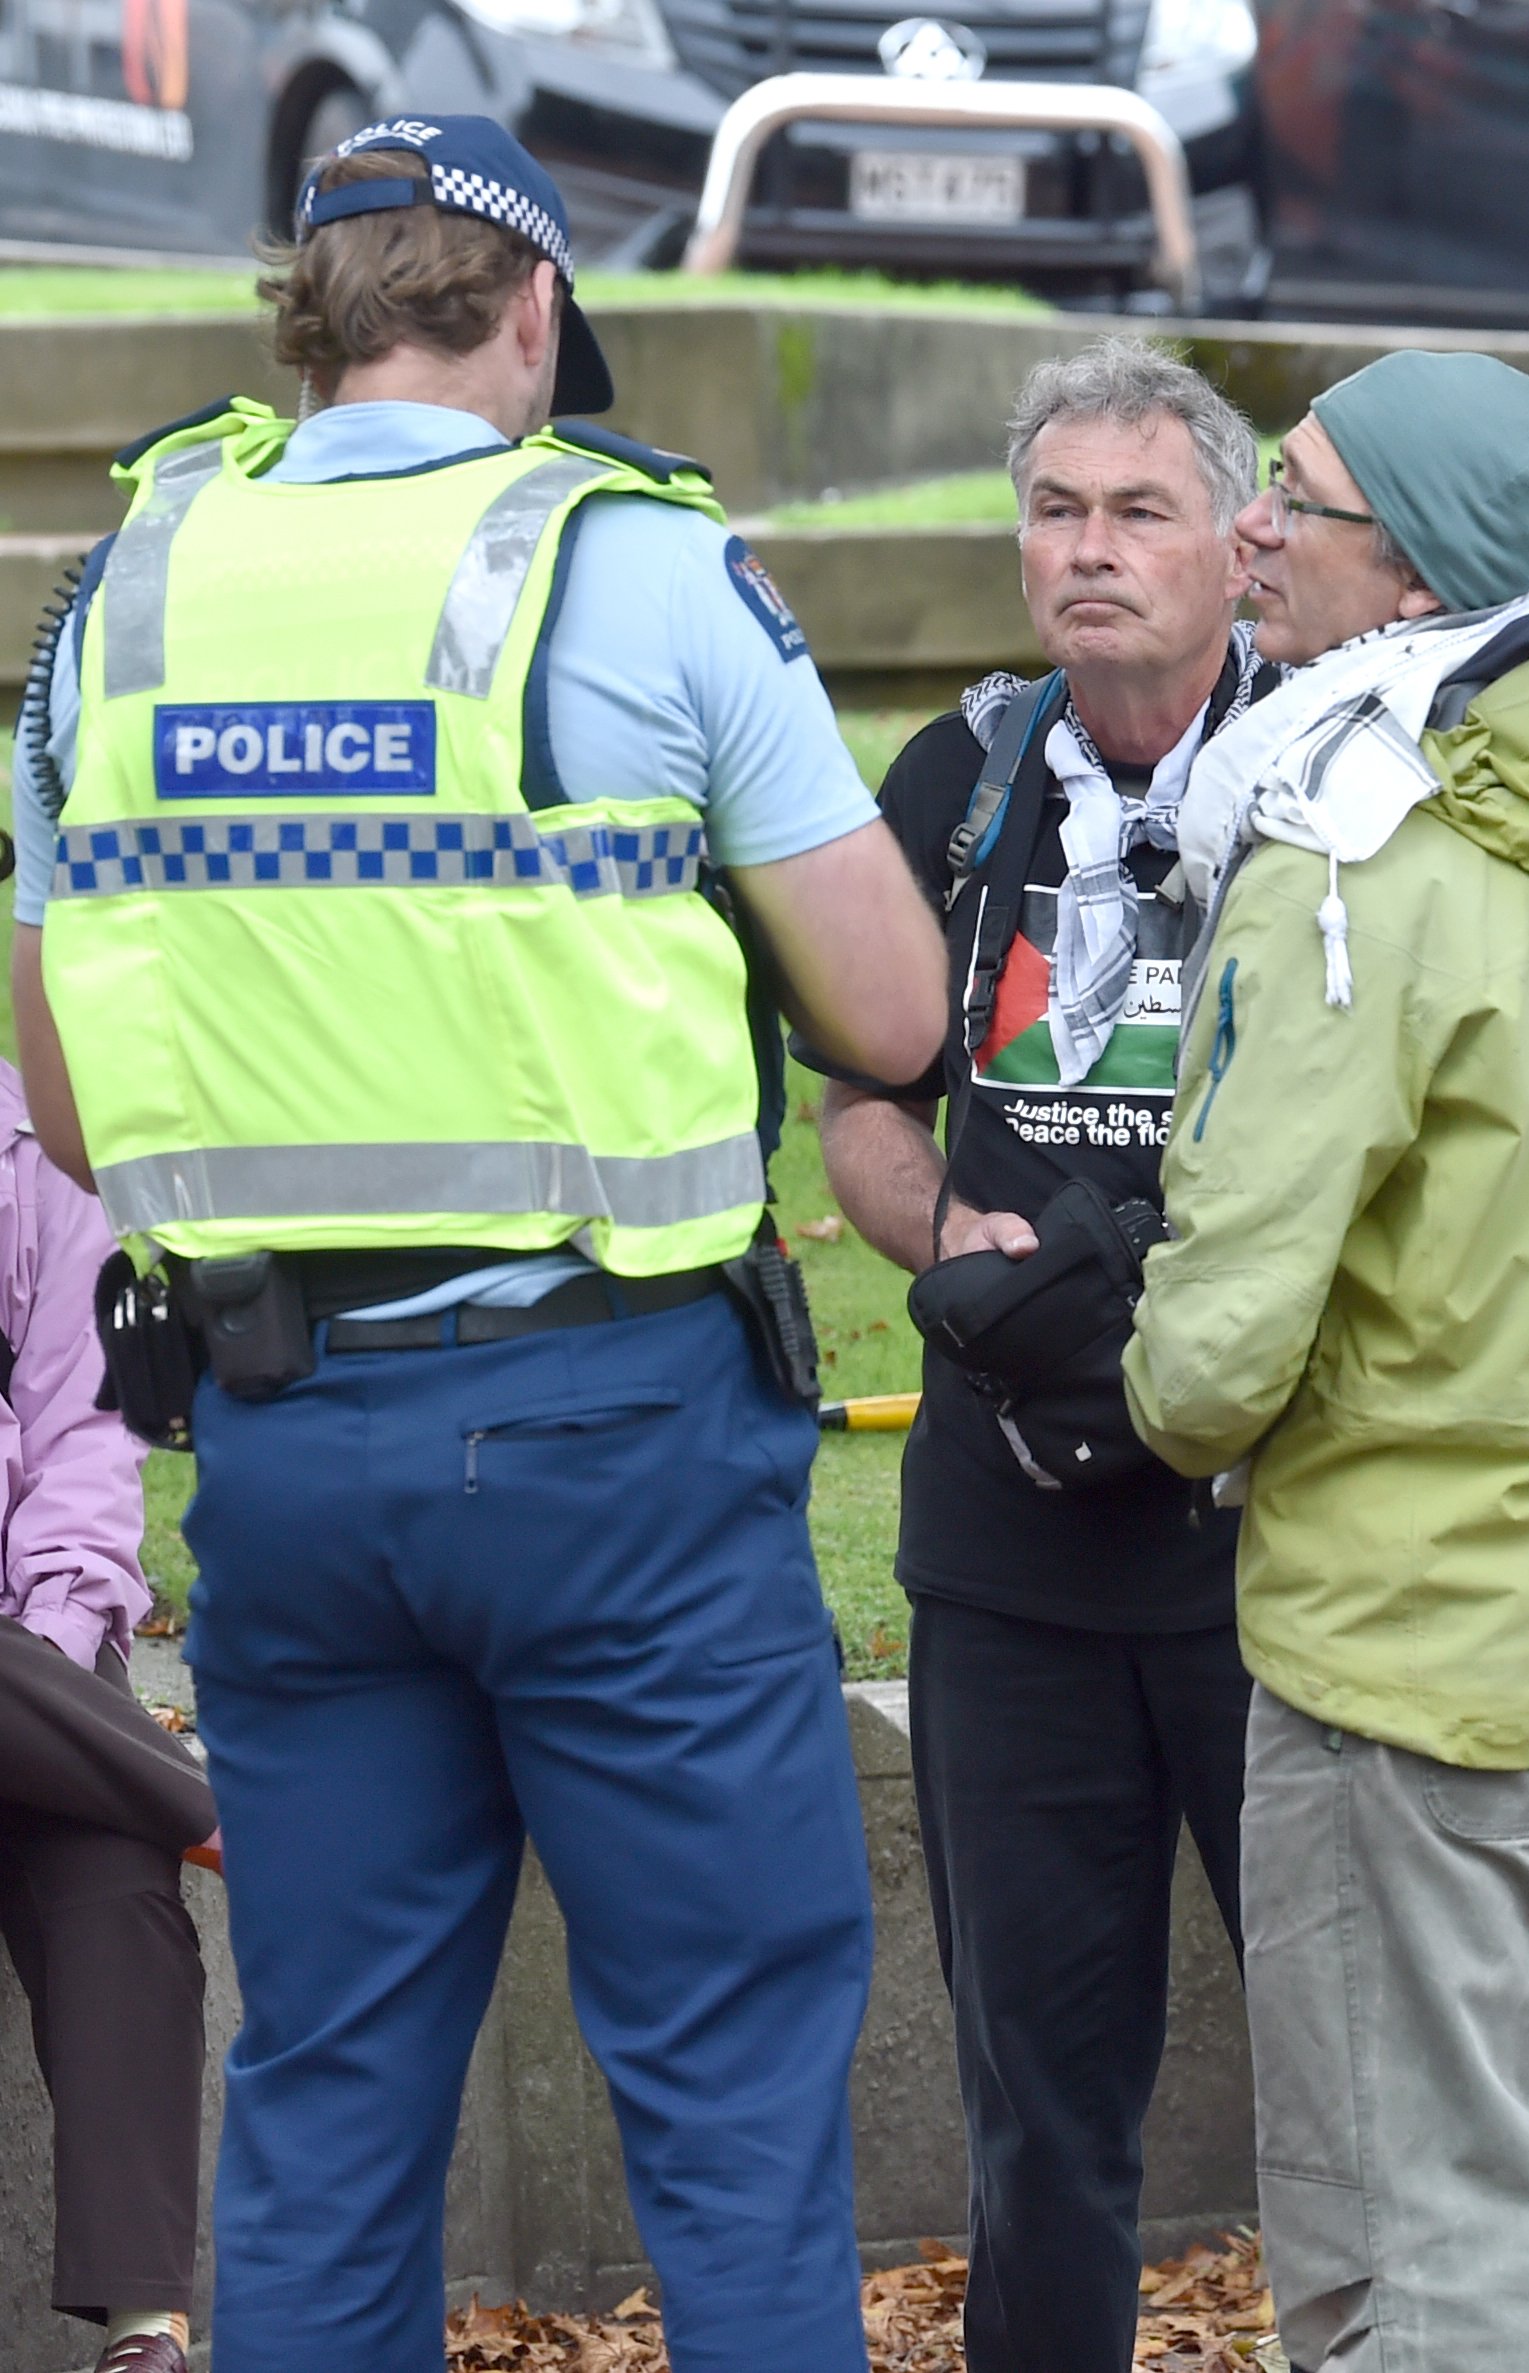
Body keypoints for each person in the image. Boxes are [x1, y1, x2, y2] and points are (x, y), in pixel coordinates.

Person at [9, 118, 946, 2370]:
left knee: (325, 2099)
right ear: (530, 316)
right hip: (614, 1432)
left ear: (306, 317)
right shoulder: (630, 568)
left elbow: (60, 1099)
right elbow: (894, 1010)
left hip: (286, 1451)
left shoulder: (115, 598)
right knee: (723, 2090)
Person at [1123, 348, 1529, 2373]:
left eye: (1292, 498)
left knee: (1418, 2219)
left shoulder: (1345, 852)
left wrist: (1148, 1391)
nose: (1249, 527)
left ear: (1404, 574)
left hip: (1399, 1632)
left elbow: (1227, 1321)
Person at [813, 337, 1265, 2373]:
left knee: (1352, 2079)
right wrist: (961, 1236)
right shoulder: (956, 777)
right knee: (1040, 2111)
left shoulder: (1333, 776)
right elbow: (862, 1118)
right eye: (1055, 510)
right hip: (1008, 1544)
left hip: (1282, 1536)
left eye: (1138, 510)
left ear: (1247, 545)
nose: (1088, 551)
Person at [0, 1055, 211, 2373]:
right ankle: (211, 1807)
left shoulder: (30, 1144)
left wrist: (56, 1632)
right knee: (126, 1795)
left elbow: (85, 1421)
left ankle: (146, 2333)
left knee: (113, 1877)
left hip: (30, 1659)